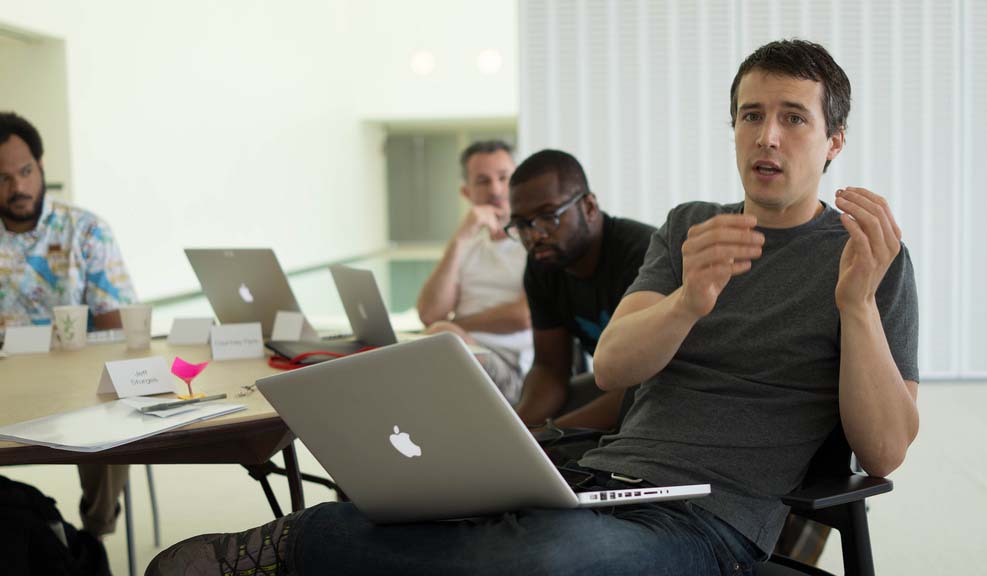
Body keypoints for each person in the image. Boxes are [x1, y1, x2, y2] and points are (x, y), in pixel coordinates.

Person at [148, 39, 919, 576]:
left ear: (834, 140)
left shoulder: (868, 256)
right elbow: (613, 365)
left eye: (793, 117)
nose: (767, 137)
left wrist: (855, 307)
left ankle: (286, 550)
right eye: (751, 115)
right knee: (431, 503)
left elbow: (884, 451)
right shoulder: (691, 226)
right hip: (601, 477)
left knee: (546, 561)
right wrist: (689, 300)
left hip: (713, 521)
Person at [0, 111, 136, 538]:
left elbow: (117, 332)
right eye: (3, 178)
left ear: (41, 166)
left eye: (25, 172)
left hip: (77, 384)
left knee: (114, 407)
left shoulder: (87, 231)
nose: (18, 188)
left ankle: (93, 538)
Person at [506, 149, 654, 433]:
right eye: (522, 224)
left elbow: (646, 385)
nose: (534, 235)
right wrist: (515, 431)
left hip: (675, 391)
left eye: (548, 216)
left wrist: (549, 436)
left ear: (589, 207)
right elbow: (550, 369)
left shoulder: (645, 254)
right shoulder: (542, 265)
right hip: (616, 387)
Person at [417, 141, 533, 403]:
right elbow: (430, 313)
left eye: (504, 178)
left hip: (512, 370)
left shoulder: (534, 242)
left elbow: (524, 316)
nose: (495, 190)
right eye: (483, 181)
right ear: (466, 192)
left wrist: (455, 327)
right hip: (458, 350)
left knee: (438, 340)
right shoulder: (467, 246)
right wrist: (461, 237)